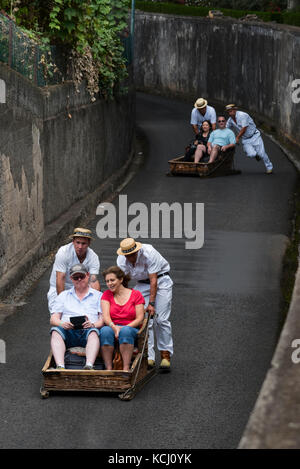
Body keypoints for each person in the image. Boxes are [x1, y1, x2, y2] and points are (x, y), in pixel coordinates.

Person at [117, 238, 173, 371]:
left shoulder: (149, 252)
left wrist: (151, 304)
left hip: (161, 280)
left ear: (137, 251)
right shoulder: (121, 260)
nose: (130, 258)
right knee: (144, 320)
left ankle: (165, 355)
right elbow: (123, 281)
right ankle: (149, 356)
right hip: (141, 284)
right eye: (127, 255)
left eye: (132, 254)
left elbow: (154, 280)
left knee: (160, 319)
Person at [50, 264, 104, 370]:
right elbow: (53, 318)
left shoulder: (99, 296)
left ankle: (89, 365)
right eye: (75, 277)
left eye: (82, 276)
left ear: (88, 275)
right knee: (55, 331)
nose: (79, 280)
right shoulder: (63, 296)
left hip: (88, 331)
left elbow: (102, 320)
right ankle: (60, 366)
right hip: (68, 332)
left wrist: (93, 324)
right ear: (71, 279)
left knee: (93, 332)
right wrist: (62, 323)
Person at [99, 266, 145, 372]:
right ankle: (109, 368)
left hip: (131, 327)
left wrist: (123, 328)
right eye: (107, 281)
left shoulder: (136, 295)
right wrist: (114, 327)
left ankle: (125, 368)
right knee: (104, 330)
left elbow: (140, 318)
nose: (109, 283)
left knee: (125, 331)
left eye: (112, 280)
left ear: (121, 279)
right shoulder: (106, 295)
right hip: (112, 326)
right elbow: (106, 316)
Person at [47, 227, 101, 314]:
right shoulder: (63, 252)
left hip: (81, 289)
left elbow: (93, 281)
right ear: (73, 241)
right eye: (78, 243)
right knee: (59, 317)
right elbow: (61, 278)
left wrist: (97, 302)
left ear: (89, 243)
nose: (80, 247)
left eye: (83, 243)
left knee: (88, 316)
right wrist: (63, 301)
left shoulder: (93, 257)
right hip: (60, 288)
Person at [225, 104, 273, 174]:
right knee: (251, 154)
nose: (230, 113)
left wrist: (237, 137)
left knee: (262, 154)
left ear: (235, 110)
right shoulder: (230, 120)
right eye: (228, 111)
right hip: (245, 139)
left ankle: (269, 167)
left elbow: (244, 128)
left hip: (255, 136)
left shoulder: (243, 115)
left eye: (231, 111)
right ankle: (256, 155)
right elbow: (226, 130)